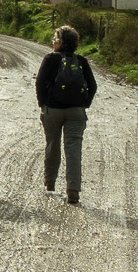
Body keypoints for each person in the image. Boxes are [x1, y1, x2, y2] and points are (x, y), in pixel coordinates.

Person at [35, 25, 98, 206]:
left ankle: (50, 181)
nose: (53, 43)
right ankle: (73, 190)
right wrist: (84, 104)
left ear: (60, 42)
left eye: (55, 40)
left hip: (52, 110)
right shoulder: (82, 61)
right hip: (76, 111)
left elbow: (39, 83)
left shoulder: (50, 59)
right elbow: (92, 86)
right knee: (73, 149)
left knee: (52, 144)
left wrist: (43, 104)